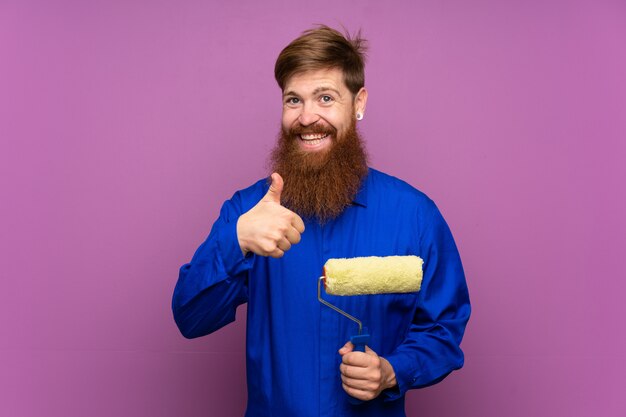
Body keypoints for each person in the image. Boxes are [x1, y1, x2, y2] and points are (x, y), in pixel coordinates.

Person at [172, 25, 470, 417]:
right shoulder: (250, 211)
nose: (307, 117)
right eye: (293, 100)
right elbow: (190, 318)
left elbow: (444, 331)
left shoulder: (415, 216)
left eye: (325, 98)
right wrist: (236, 240)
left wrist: (392, 371)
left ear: (358, 103)